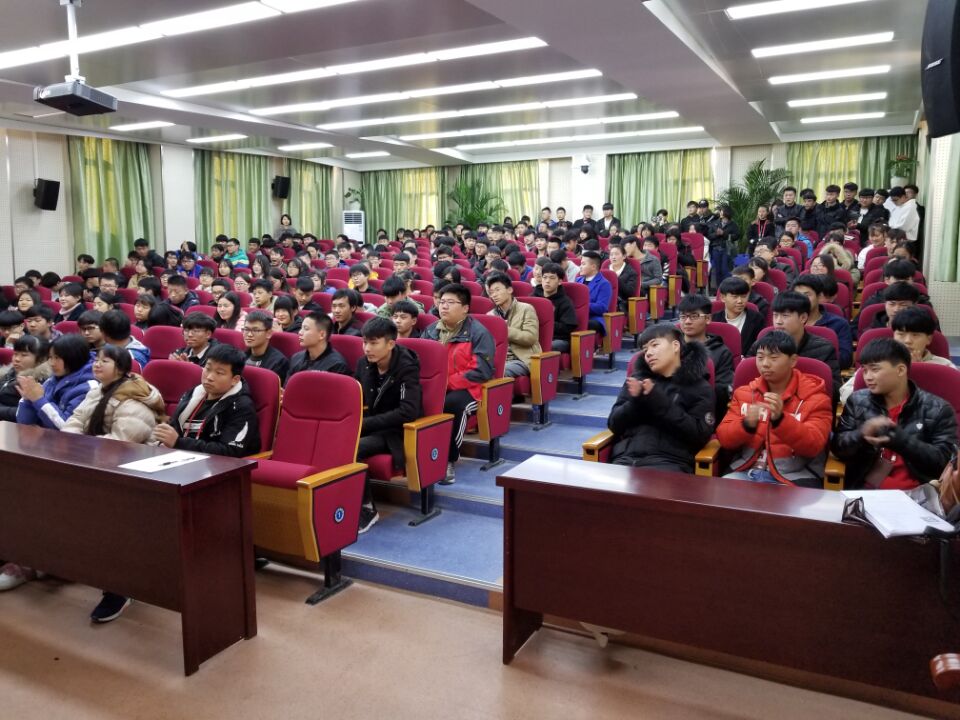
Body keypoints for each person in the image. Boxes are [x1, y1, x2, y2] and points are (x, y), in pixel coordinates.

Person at [832, 338, 957, 489]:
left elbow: (944, 463)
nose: (867, 377)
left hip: (920, 495)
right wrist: (861, 435)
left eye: (875, 369)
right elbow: (838, 448)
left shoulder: (938, 409)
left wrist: (903, 441)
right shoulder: (857, 401)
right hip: (866, 492)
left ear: (900, 370)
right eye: (864, 370)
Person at [717, 330, 833, 487]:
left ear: (793, 361)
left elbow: (814, 446)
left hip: (794, 477)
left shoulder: (815, 398)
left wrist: (781, 420)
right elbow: (724, 439)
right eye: (760, 357)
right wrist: (746, 425)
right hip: (746, 471)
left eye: (773, 358)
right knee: (718, 494)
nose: (765, 364)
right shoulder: (745, 393)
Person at [606, 325, 714, 472]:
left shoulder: (699, 387)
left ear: (675, 346)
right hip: (625, 460)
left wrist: (659, 402)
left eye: (655, 345)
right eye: (645, 350)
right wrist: (636, 402)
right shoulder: (637, 381)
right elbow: (613, 424)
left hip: (670, 463)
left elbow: (699, 436)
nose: (648, 353)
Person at [354, 317, 423, 533]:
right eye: (365, 342)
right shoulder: (363, 364)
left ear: (391, 343)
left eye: (374, 343)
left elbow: (407, 412)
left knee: (353, 449)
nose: (367, 348)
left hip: (396, 432)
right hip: (372, 426)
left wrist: (364, 425)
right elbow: (354, 397)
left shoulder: (406, 368)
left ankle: (367, 508)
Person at [421, 283, 496, 484]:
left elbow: (481, 371)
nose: (444, 306)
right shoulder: (431, 331)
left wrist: (445, 384)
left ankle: (448, 459)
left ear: (465, 308)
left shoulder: (479, 333)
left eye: (450, 302)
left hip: (471, 389)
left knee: (453, 404)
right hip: (438, 386)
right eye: (441, 302)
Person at [152, 343, 261, 460]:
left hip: (217, 467)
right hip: (179, 458)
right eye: (207, 369)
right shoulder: (194, 393)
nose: (209, 377)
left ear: (235, 380)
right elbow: (175, 428)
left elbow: (229, 451)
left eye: (219, 373)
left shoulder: (242, 407)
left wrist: (179, 443)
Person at [750, 291, 841, 398]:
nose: (778, 321)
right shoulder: (761, 345)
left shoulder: (823, 348)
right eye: (775, 315)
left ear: (803, 318)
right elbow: (749, 379)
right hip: (767, 400)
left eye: (785, 316)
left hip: (807, 402)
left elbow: (833, 390)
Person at [15, 334, 96, 429]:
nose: (52, 363)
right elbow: (24, 423)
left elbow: (67, 427)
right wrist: (27, 400)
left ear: (73, 357)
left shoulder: (89, 388)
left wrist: (39, 400)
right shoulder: (51, 381)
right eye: (50, 357)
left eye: (57, 358)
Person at [678, 295, 734, 422]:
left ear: (708, 318)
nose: (687, 321)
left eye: (694, 316)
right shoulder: (671, 347)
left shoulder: (721, 352)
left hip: (703, 412)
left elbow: (722, 392)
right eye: (683, 316)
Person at [484, 273, 540, 379]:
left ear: (509, 290)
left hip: (521, 358)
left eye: (497, 290)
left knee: (498, 372)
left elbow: (531, 338)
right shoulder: (490, 315)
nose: (494, 295)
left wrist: (505, 330)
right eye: (491, 292)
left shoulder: (526, 309)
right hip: (498, 359)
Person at [790, 274, 853, 369]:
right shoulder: (787, 323)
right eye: (797, 296)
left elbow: (845, 360)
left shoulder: (838, 323)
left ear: (819, 296)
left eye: (807, 295)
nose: (802, 300)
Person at [287, 312, 350, 383]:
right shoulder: (296, 358)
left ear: (322, 335)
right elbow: (288, 386)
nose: (300, 332)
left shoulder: (337, 365)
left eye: (306, 329)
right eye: (301, 328)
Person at [0, 335, 50, 422]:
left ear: (41, 359)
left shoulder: (38, 382)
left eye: (24, 355)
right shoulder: (11, 372)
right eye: (15, 354)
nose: (17, 359)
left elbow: (27, 413)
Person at [712, 277, 765, 356]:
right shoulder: (714, 320)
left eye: (743, 296)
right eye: (735, 297)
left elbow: (760, 346)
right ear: (723, 297)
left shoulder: (757, 319)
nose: (740, 301)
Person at [533, 262, 578, 352]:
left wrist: (545, 324)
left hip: (557, 339)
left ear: (560, 281)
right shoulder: (533, 297)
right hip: (534, 336)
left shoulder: (565, 301)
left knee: (545, 346)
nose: (547, 281)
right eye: (545, 277)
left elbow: (567, 327)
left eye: (552, 278)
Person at [243, 310, 289, 383]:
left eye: (256, 330)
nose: (249, 334)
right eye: (246, 329)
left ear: (269, 334)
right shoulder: (242, 356)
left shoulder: (278, 362)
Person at [575, 251, 612, 336]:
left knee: (582, 323)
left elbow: (602, 307)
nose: (580, 267)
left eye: (583, 264)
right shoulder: (578, 280)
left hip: (594, 318)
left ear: (593, 267)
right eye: (580, 264)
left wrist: (582, 306)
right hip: (577, 315)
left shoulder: (604, 284)